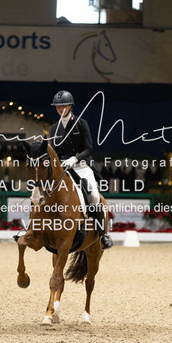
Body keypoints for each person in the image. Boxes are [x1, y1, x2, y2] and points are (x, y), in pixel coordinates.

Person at [49, 90, 113, 249]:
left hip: (82, 166)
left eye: (63, 106)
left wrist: (75, 159)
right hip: (64, 168)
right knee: (44, 193)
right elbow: (54, 152)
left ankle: (103, 234)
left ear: (70, 106)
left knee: (94, 197)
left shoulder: (81, 124)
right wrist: (59, 163)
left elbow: (89, 149)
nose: (60, 109)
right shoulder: (54, 128)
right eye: (58, 107)